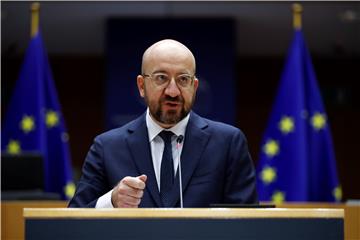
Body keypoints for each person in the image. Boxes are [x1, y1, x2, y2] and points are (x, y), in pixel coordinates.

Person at [68, 39, 258, 208]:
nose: (173, 91)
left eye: (183, 79)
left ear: (194, 86)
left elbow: (248, 223)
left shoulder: (228, 143)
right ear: (141, 86)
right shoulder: (107, 146)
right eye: (161, 78)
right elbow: (73, 220)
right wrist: (112, 200)